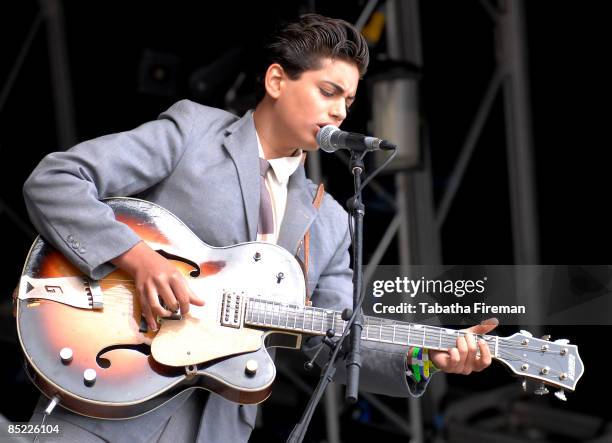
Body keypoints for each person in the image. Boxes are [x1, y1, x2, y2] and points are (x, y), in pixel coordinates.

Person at [22, 13, 497, 443]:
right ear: (276, 80)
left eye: (349, 101)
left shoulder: (330, 220)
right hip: (106, 400)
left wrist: (425, 356)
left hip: (215, 429)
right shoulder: (193, 133)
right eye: (328, 92)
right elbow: (56, 180)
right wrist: (137, 258)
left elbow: (334, 341)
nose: (340, 113)